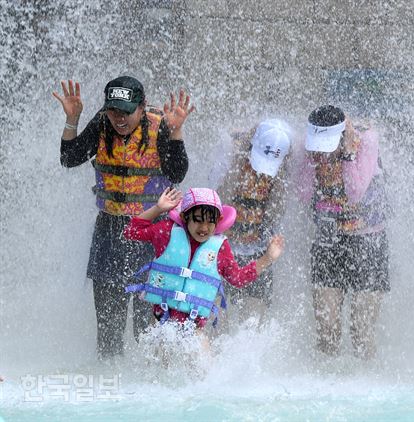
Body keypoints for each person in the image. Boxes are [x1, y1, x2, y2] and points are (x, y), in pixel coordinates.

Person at [54, 76, 193, 359]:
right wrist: (72, 120)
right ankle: (112, 389)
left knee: (149, 327)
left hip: (153, 233)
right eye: (114, 111)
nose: (120, 118)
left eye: (126, 112)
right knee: (108, 328)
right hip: (110, 231)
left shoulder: (160, 125)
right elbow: (69, 158)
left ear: (142, 107)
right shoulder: (102, 123)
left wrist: (176, 132)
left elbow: (177, 173)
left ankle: (152, 387)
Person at [123, 187, 285, 331]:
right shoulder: (166, 232)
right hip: (161, 322)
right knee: (158, 360)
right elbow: (130, 231)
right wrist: (158, 209)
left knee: (201, 360)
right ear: (185, 217)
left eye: (210, 222)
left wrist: (267, 258)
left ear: (219, 221)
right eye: (198, 220)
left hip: (194, 329)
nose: (204, 228)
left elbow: (237, 278)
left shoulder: (220, 247)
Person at [299, 105, 390, 360]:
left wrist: (348, 154)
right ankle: (325, 390)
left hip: (368, 241)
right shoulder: (310, 145)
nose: (323, 156)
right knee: (326, 331)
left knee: (362, 332)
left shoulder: (366, 139)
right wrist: (309, 158)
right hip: (327, 240)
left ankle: (366, 386)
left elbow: (354, 193)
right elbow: (303, 193)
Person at [210, 119, 292, 325]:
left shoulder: (285, 161)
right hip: (222, 249)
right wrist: (237, 159)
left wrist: (281, 172)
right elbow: (214, 195)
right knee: (217, 326)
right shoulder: (231, 150)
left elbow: (277, 212)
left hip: (259, 252)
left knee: (252, 328)